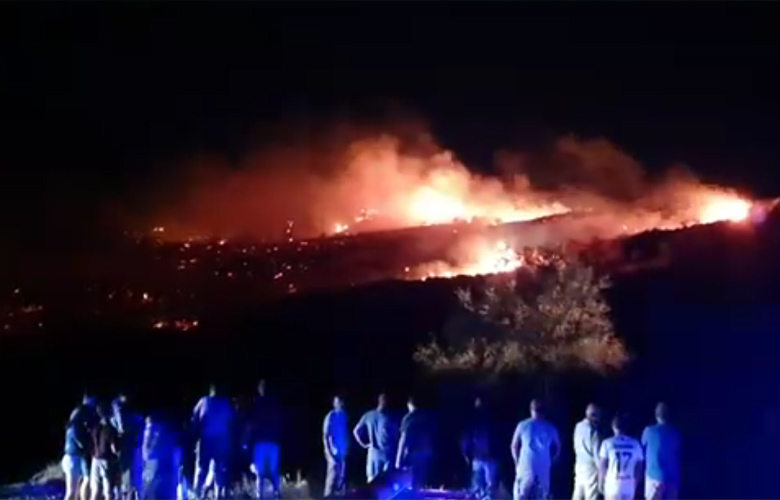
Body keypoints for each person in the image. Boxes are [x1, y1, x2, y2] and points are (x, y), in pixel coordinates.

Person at [511, 399, 561, 500]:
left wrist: (517, 462)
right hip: (543, 466)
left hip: (526, 465)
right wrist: (551, 461)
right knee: (542, 496)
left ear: (531, 410)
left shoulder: (523, 425)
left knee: (521, 495)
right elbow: (558, 449)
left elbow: (514, 446)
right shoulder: (551, 428)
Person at [191, 383, 233, 500]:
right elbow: (232, 422)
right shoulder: (225, 403)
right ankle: (217, 494)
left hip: (207, 440)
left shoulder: (204, 401)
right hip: (220, 440)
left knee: (202, 468)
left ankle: (198, 493)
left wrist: (195, 436)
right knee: (218, 469)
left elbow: (195, 419)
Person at [243, 379, 282, 499]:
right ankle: (275, 494)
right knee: (271, 471)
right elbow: (281, 423)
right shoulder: (275, 404)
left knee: (261, 472)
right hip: (271, 442)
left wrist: (246, 441)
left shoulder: (256, 403)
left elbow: (250, 424)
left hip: (262, 443)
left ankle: (264, 496)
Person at [353, 393, 399, 483]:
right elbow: (396, 435)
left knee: (372, 481)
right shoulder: (389, 417)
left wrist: (364, 445)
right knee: (385, 482)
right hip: (386, 453)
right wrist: (364, 445)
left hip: (373, 453)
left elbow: (355, 431)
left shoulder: (369, 415)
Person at [598, 414, 643, 500]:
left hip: (612, 485)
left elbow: (603, 466)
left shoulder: (607, 443)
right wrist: (635, 483)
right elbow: (639, 467)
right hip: (628, 484)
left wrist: (600, 482)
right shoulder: (635, 443)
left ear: (612, 426)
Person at [641, 403, 681, 500]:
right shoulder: (676, 432)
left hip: (654, 476)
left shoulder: (648, 431)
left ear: (656, 415)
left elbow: (642, 447)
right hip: (673, 477)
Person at [461, 397, 498, 500]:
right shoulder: (489, 421)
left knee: (481, 486)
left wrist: (465, 452)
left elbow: (466, 438)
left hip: (485, 457)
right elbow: (466, 438)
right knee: (484, 486)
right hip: (483, 457)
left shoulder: (475, 422)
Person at [395, 395, 434, 489]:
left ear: (409, 404)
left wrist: (398, 459)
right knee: (421, 482)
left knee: (410, 483)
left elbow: (403, 439)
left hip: (412, 454)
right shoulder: (426, 418)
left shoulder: (408, 418)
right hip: (425, 453)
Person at [141, 412, 182, 500]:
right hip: (158, 463)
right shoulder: (161, 433)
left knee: (149, 487)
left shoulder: (149, 431)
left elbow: (146, 451)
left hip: (151, 462)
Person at [112, 394, 144, 500]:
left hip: (131, 449)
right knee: (129, 479)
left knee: (129, 479)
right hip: (131, 449)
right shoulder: (135, 418)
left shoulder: (132, 417)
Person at [69, 393, 99, 500]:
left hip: (78, 451)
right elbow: (76, 431)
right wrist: (85, 445)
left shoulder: (79, 412)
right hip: (81, 451)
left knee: (82, 479)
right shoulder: (83, 412)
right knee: (87, 478)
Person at [572, 404, 603, 500]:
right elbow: (597, 455)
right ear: (595, 416)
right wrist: (602, 472)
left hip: (579, 465)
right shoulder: (594, 432)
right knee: (591, 496)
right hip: (591, 469)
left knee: (577, 494)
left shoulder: (578, 426)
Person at [90, 404, 120, 500]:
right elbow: (114, 448)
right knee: (108, 491)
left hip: (95, 459)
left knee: (95, 490)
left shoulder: (95, 428)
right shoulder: (110, 429)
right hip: (106, 460)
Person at [322, 395, 349, 498]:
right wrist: (329, 453)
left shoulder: (344, 415)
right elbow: (325, 436)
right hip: (333, 453)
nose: (340, 404)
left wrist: (347, 447)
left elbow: (345, 433)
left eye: (341, 402)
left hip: (342, 452)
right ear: (334, 403)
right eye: (337, 402)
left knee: (341, 479)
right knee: (331, 478)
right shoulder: (330, 416)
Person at [62, 416, 89, 500]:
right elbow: (81, 444)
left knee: (74, 490)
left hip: (70, 458)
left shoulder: (70, 429)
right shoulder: (75, 429)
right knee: (71, 491)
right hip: (73, 459)